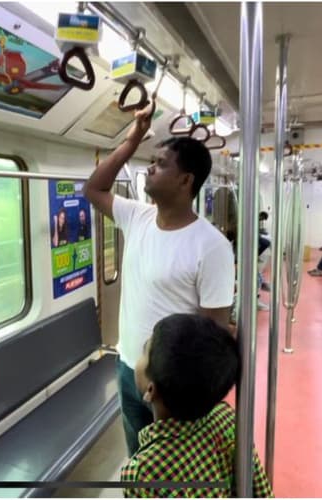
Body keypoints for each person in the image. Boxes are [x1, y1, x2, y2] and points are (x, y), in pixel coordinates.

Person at [83, 103, 235, 456]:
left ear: (185, 180)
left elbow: (213, 333)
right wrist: (133, 139)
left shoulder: (211, 246)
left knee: (171, 467)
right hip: (128, 367)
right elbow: (93, 189)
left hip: (173, 385)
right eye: (151, 161)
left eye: (161, 163)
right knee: (138, 459)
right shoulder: (136, 216)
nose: (150, 168)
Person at [120, 313, 273, 498]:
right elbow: (260, 489)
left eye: (144, 351)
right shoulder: (227, 420)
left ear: (151, 390)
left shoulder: (142, 474)